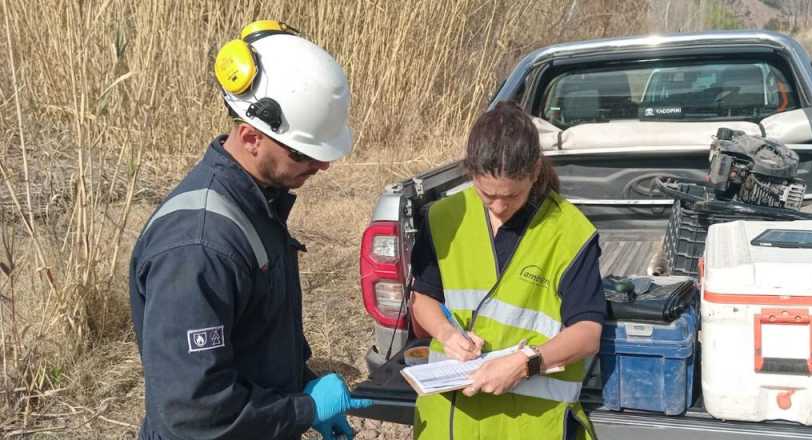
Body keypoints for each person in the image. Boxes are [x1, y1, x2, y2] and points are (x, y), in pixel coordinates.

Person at [129, 21, 371, 440]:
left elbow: (256, 335)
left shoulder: (258, 205)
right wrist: (304, 408)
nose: (322, 165)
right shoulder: (198, 247)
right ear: (250, 136)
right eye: (304, 153)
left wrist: (302, 381)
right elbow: (192, 414)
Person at [411, 102, 606, 439]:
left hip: (530, 426)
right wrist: (447, 336)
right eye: (488, 195)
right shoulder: (443, 216)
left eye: (512, 196)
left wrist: (526, 364)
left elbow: (588, 333)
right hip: (449, 422)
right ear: (470, 171)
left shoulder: (571, 232)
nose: (499, 208)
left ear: (534, 171)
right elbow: (422, 298)